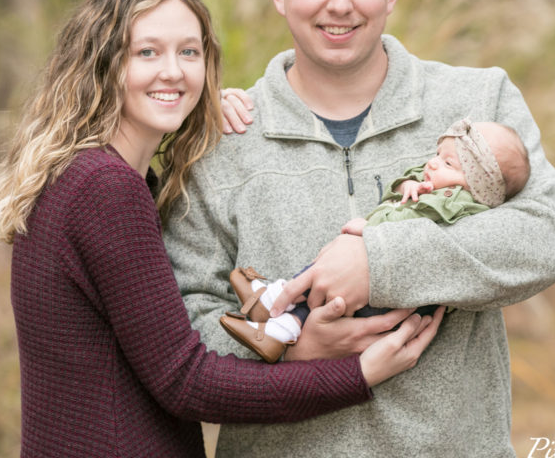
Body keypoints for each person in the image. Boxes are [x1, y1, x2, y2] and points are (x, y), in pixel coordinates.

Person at [0, 0, 443, 458]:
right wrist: (354, 375)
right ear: (102, 62)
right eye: (146, 53)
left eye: (188, 53)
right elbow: (186, 381)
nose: (172, 71)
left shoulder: (85, 175)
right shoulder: (106, 189)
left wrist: (196, 116)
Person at [165, 0, 555, 458]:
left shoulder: (478, 103)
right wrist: (295, 352)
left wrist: (378, 263)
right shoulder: (219, 142)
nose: (340, 3)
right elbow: (184, 333)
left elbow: (541, 239)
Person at [221, 118, 531, 362]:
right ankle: (276, 301)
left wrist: (370, 236)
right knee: (333, 265)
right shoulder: (439, 189)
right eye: (437, 155)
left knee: (337, 283)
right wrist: (411, 184)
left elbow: (420, 220)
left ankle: (282, 322)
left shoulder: (457, 203)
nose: (433, 164)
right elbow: (411, 193)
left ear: (477, 187)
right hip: (388, 292)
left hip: (394, 303)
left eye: (449, 164)